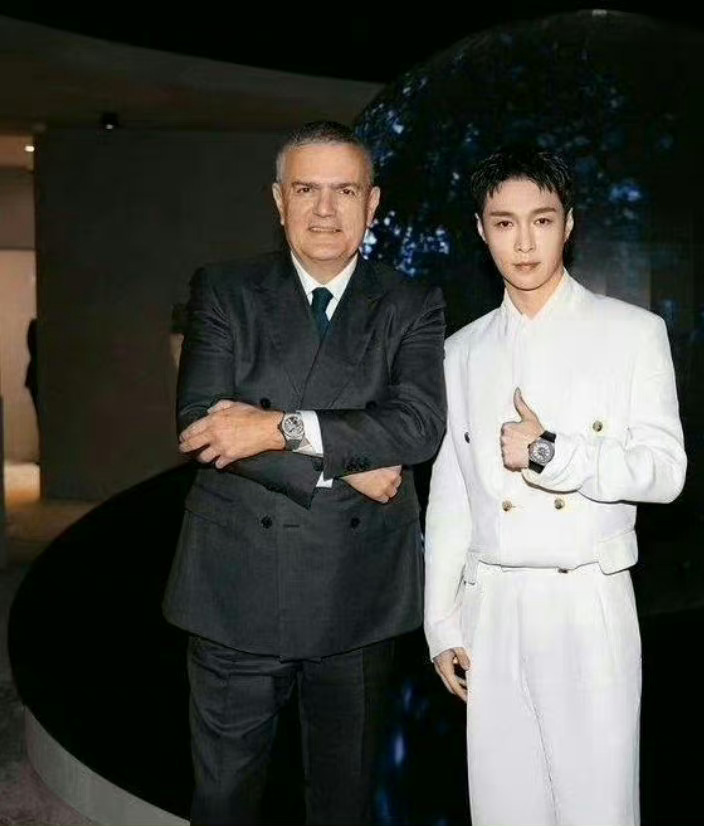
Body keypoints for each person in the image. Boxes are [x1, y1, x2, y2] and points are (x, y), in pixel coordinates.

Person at [163, 121, 446, 825]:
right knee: (224, 800)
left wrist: (277, 427)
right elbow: (201, 423)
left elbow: (417, 426)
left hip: (358, 591)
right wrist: (347, 465)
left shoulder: (411, 302)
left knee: (343, 800)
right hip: (235, 588)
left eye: (345, 191)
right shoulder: (225, 290)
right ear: (278, 199)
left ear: (372, 203)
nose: (325, 210)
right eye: (306, 190)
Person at [424, 146, 686, 826]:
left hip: (586, 601)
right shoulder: (460, 353)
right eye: (504, 223)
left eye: (541, 221)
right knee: (503, 808)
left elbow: (666, 472)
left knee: (598, 808)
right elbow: (451, 499)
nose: (524, 243)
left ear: (568, 224)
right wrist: (441, 623)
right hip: (492, 606)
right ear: (481, 231)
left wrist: (551, 452)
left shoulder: (632, 334)